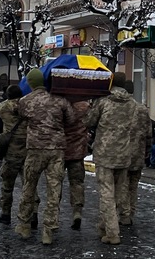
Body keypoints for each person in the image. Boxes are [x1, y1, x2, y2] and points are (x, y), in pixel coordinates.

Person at [16, 67, 74, 245]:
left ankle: (24, 225)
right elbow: (71, 120)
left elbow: (21, 116)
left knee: (29, 187)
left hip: (34, 149)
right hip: (56, 150)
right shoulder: (59, 100)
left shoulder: (25, 101)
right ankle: (49, 230)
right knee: (54, 190)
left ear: (31, 83)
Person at [84, 72, 138, 245]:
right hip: (124, 154)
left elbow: (89, 122)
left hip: (105, 153)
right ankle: (103, 226)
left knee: (106, 193)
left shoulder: (103, 102)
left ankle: (113, 233)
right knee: (117, 193)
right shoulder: (132, 104)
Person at [0, 84, 28, 225]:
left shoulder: (3, 108)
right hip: (27, 151)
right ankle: (31, 214)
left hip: (11, 153)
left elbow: (0, 107)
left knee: (7, 186)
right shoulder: (27, 106)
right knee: (29, 185)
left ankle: (6, 213)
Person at [121, 80, 150, 227]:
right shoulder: (142, 109)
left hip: (123, 153)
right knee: (133, 186)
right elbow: (149, 133)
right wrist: (148, 151)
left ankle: (125, 214)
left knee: (123, 185)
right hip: (138, 153)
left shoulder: (121, 108)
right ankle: (131, 212)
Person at [61, 98, 90, 230]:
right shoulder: (84, 106)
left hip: (60, 150)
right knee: (77, 183)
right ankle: (77, 211)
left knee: (55, 182)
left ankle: (54, 212)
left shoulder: (59, 104)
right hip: (77, 151)